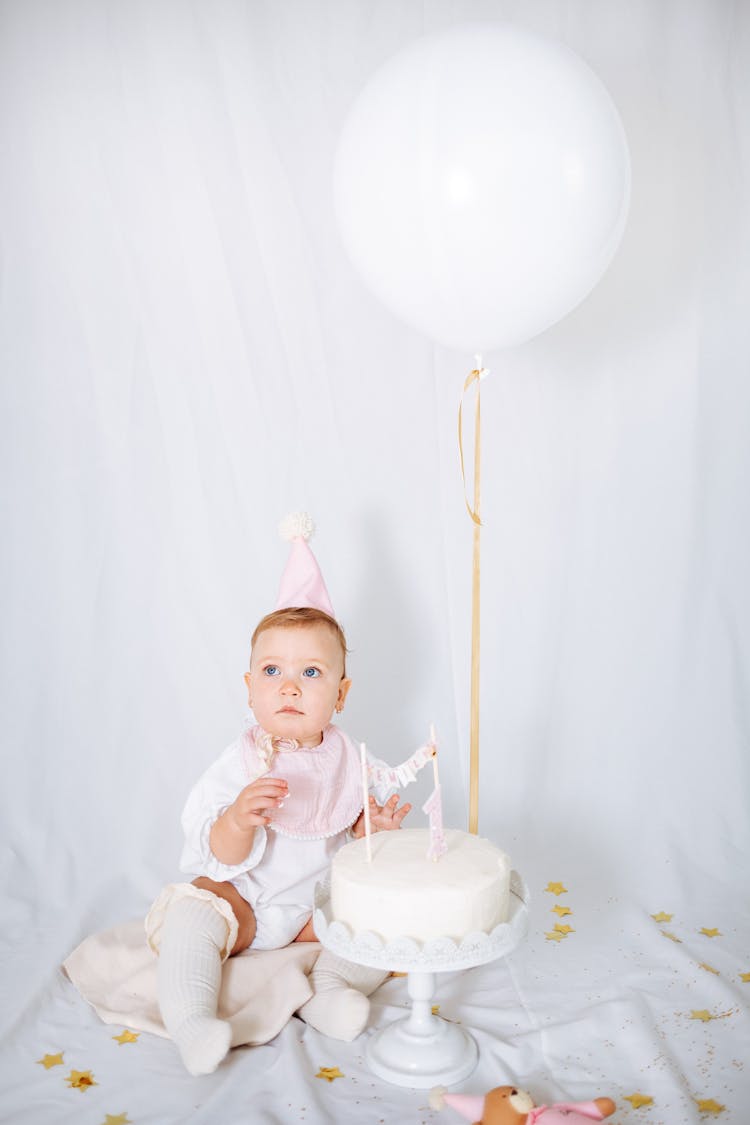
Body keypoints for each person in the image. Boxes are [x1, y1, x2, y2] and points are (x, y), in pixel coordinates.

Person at [145, 514, 435, 1075]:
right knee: (194, 913)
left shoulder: (352, 757)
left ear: (342, 694)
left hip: (311, 910)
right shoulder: (243, 758)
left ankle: (329, 996)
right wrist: (237, 819)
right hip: (247, 899)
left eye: (311, 672)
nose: (290, 686)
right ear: (249, 687)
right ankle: (193, 1022)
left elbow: (355, 842)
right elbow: (215, 848)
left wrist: (370, 826)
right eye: (272, 670)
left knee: (368, 925)